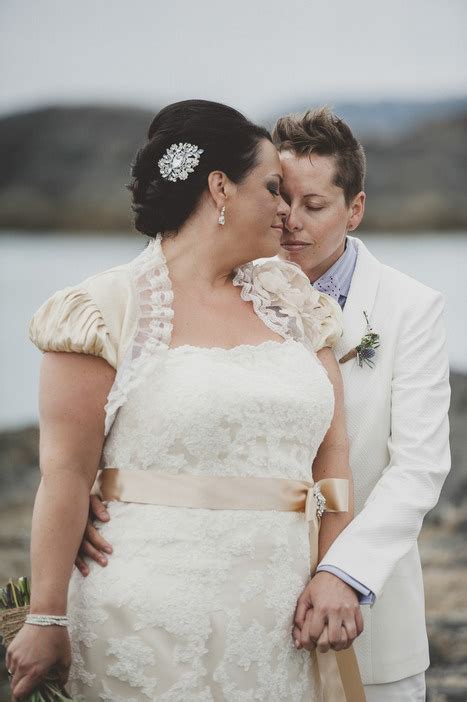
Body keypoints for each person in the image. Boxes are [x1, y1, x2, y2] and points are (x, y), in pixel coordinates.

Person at [6, 100, 363, 701]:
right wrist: (45, 617)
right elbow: (64, 473)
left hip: (279, 616)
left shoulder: (296, 306)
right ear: (220, 188)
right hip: (147, 609)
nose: (285, 209)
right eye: (273, 188)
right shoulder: (101, 311)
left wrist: (333, 573)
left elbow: (333, 460)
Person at [272, 107, 451, 701]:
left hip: (369, 629)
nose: (290, 223)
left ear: (355, 209)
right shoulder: (232, 292)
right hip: (250, 618)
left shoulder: (411, 308)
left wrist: (346, 572)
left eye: (315, 206)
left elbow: (419, 466)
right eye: (281, 199)